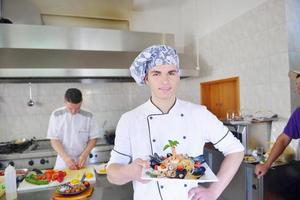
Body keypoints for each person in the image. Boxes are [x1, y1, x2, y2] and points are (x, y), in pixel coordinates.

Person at [106, 45, 244, 200]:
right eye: (156, 73)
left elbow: (236, 150)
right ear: (146, 78)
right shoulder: (129, 119)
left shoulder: (199, 114)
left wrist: (214, 191)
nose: (165, 81)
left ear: (178, 76)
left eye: (171, 73)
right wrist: (128, 172)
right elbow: (111, 173)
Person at [255, 72, 300, 178]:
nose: (297, 88)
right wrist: (266, 164)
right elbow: (283, 140)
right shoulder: (298, 114)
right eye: (297, 84)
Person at [47, 88, 100, 170]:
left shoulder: (89, 115)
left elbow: (93, 138)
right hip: (63, 160)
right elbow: (54, 139)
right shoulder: (56, 115)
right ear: (65, 102)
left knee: (86, 182)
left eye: (77, 108)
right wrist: (66, 159)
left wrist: (84, 155)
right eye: (70, 108)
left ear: (81, 102)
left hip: (83, 160)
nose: (74, 111)